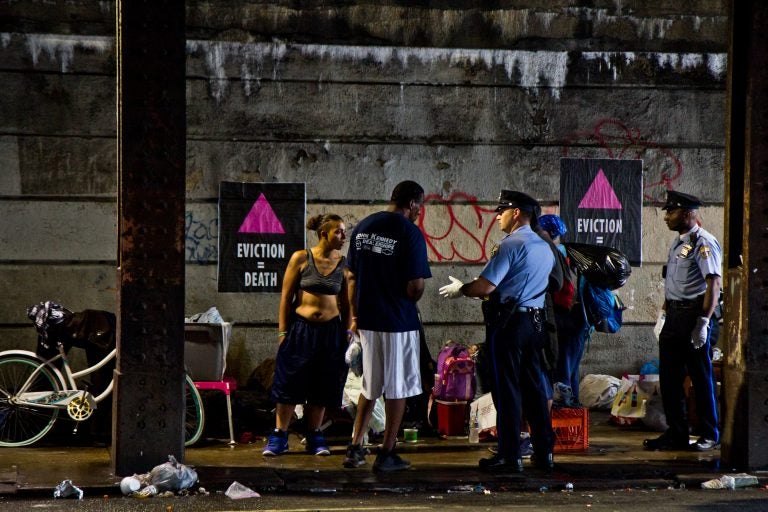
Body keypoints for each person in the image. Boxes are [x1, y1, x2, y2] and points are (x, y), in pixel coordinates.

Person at [439, 190, 556, 473]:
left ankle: (509, 456)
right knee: (534, 390)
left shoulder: (511, 244)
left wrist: (462, 289)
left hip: (510, 326)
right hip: (535, 323)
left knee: (507, 390)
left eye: (502, 212)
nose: (499, 217)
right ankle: (544, 453)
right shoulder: (545, 246)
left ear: (516, 213)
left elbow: (485, 287)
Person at [343, 180, 432, 472]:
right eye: (421, 206)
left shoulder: (363, 228)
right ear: (412, 204)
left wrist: (355, 314)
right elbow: (416, 285)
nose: (421, 212)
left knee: (370, 386)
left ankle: (355, 447)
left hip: (367, 321)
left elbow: (351, 277)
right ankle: (387, 452)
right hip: (398, 322)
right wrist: (408, 299)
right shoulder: (410, 233)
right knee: (399, 389)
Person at [263, 213, 351, 456]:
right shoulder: (301, 258)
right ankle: (279, 436)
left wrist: (348, 333)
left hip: (331, 332)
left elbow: (347, 304)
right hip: (301, 330)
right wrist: (283, 333)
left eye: (344, 232)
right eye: (339, 232)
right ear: (324, 234)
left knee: (323, 384)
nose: (343, 236)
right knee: (290, 382)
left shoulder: (343, 264)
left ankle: (314, 435)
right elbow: (285, 298)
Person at [644, 190, 721, 452]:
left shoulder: (704, 243)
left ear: (688, 214)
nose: (666, 216)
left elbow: (714, 284)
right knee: (670, 379)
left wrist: (704, 321)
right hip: (675, 316)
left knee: (701, 378)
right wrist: (664, 315)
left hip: (693, 316)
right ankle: (677, 434)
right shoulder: (679, 243)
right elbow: (672, 284)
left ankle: (710, 435)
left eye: (671, 211)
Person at [538, 214, 588, 408]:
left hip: (562, 316)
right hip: (579, 317)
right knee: (572, 366)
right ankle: (573, 406)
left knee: (562, 367)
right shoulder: (571, 252)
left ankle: (564, 411)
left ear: (548, 232)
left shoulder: (551, 253)